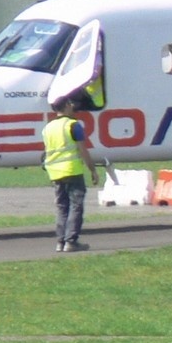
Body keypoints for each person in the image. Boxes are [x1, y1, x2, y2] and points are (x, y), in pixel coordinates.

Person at [42, 97, 99, 252]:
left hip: (55, 173)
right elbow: (83, 150)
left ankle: (60, 241)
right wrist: (92, 170)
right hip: (71, 170)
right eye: (71, 104)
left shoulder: (48, 127)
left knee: (61, 207)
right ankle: (71, 241)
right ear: (67, 106)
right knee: (76, 205)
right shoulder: (72, 125)